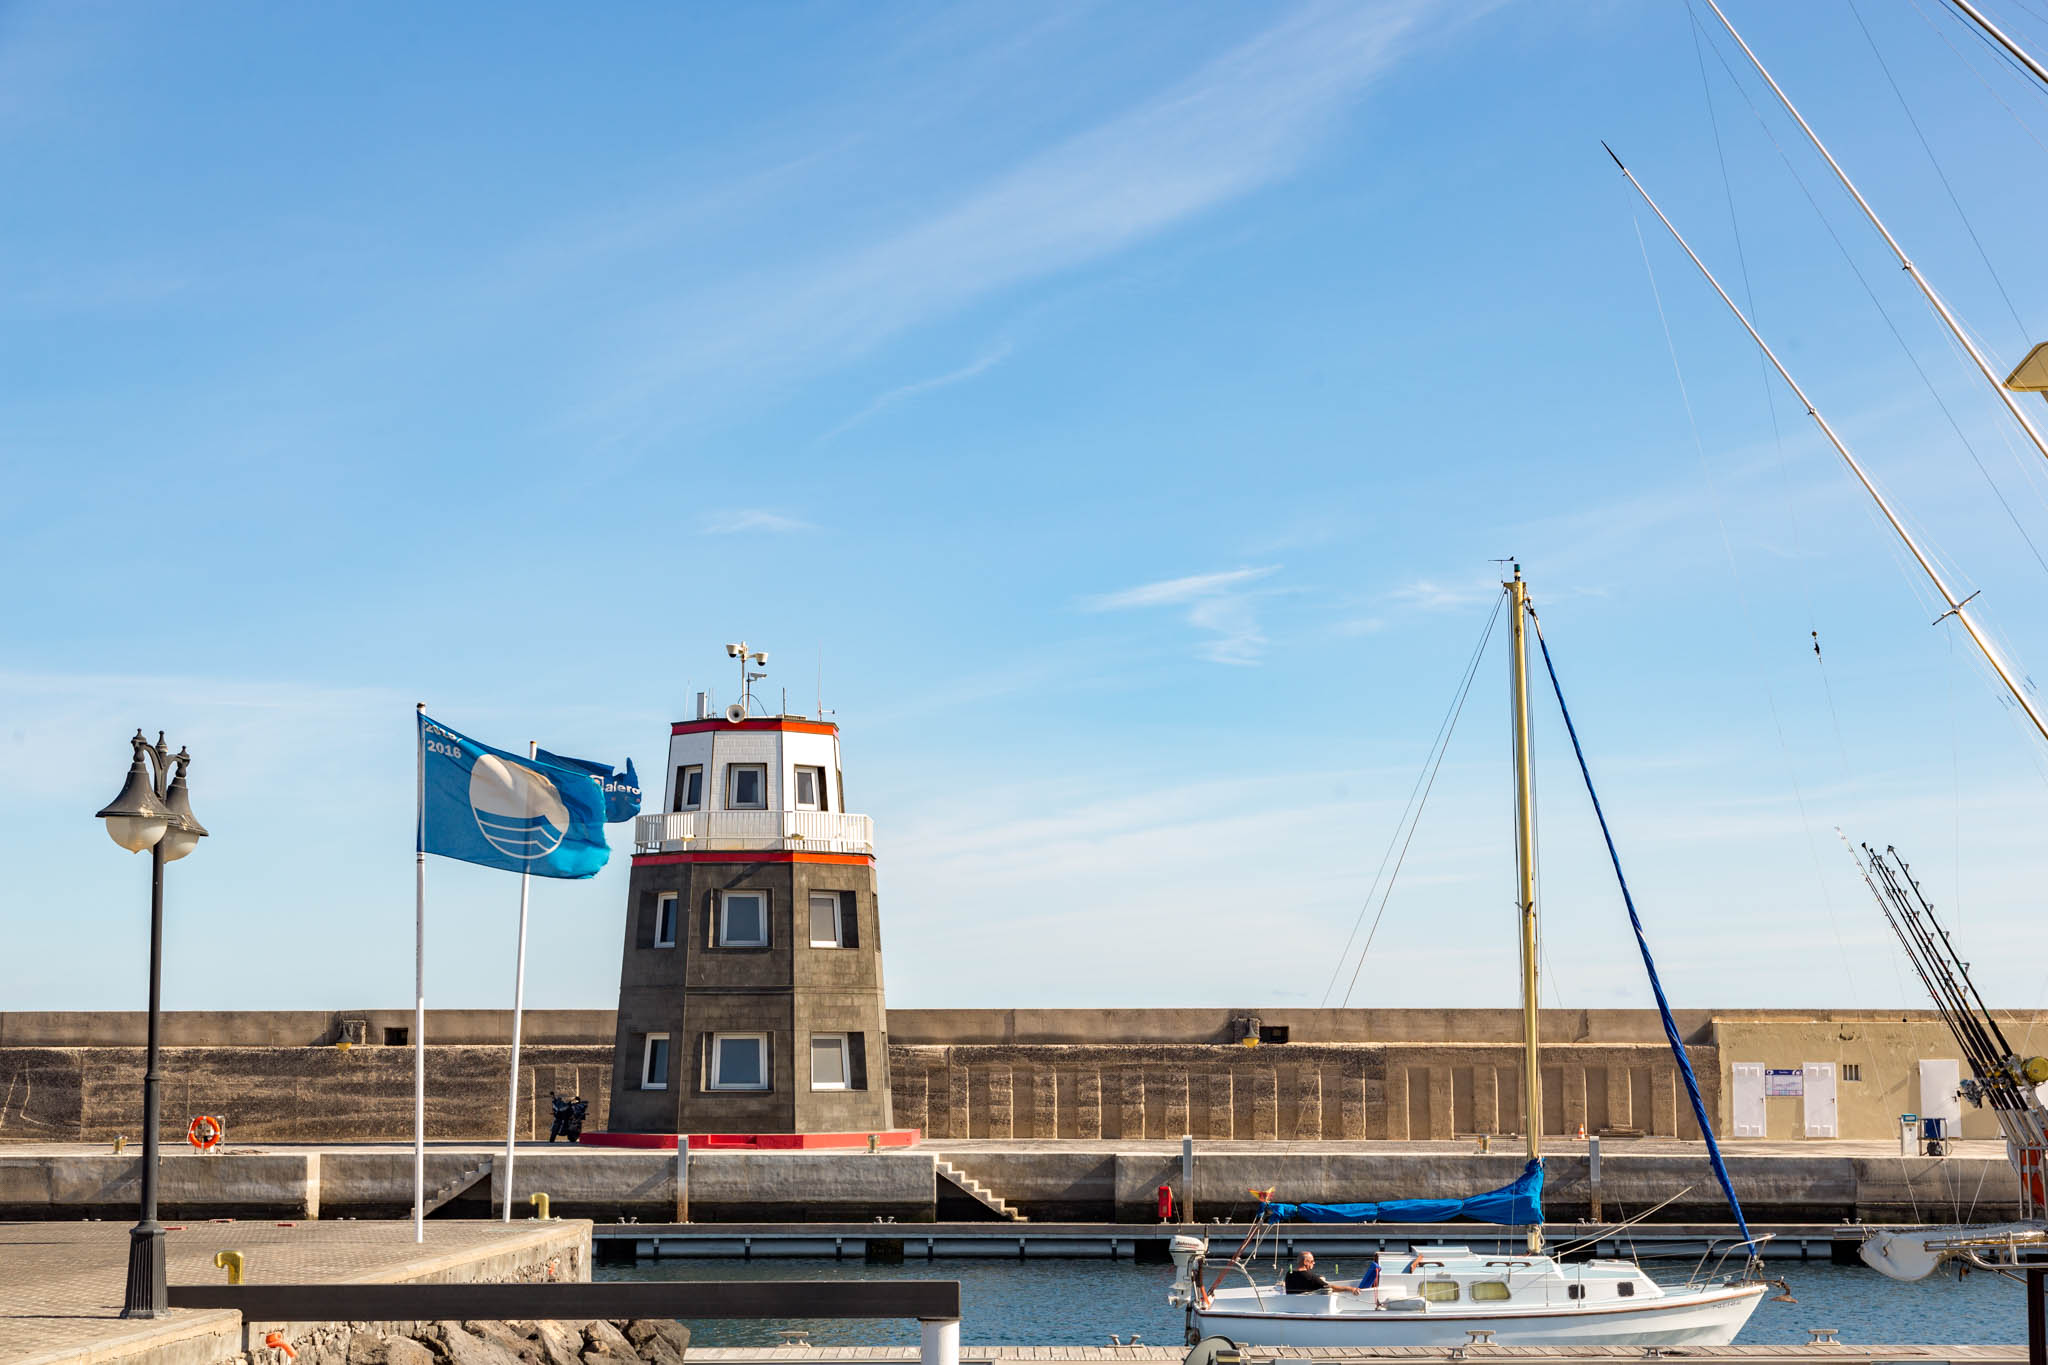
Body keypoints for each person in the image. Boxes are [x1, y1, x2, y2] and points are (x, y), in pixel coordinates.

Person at [1284, 1251, 1363, 1296]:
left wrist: (1318, 1278)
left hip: (1293, 1304)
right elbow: (1330, 1288)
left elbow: (1303, 1280)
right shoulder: (1310, 1277)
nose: (1314, 1263)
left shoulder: (1289, 1274)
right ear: (1305, 1262)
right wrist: (1350, 1288)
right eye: (1312, 1261)